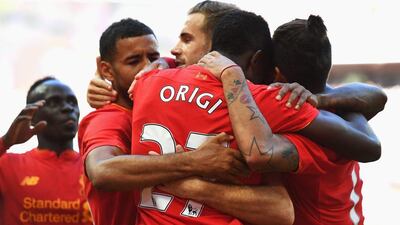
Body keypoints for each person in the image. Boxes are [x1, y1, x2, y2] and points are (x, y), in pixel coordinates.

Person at [129, 9, 381, 225]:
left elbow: (260, 153)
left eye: (187, 39)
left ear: (276, 74)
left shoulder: (277, 103)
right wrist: (162, 62)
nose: (175, 50)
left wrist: (230, 74)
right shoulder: (297, 104)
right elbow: (373, 96)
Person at [78, 18, 293, 225]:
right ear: (105, 69)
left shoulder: (231, 107)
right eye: (134, 61)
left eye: (154, 57)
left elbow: (281, 210)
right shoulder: (109, 118)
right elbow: (103, 171)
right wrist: (194, 161)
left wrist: (322, 97)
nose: (147, 67)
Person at [270, 15, 387, 225]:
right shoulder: (345, 106)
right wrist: (322, 100)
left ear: (277, 74)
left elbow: (372, 146)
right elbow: (376, 95)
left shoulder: (299, 111)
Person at [0, 77, 92, 225]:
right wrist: (5, 141)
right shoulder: (6, 165)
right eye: (54, 102)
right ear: (32, 115)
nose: (68, 108)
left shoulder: (94, 168)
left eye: (72, 102)